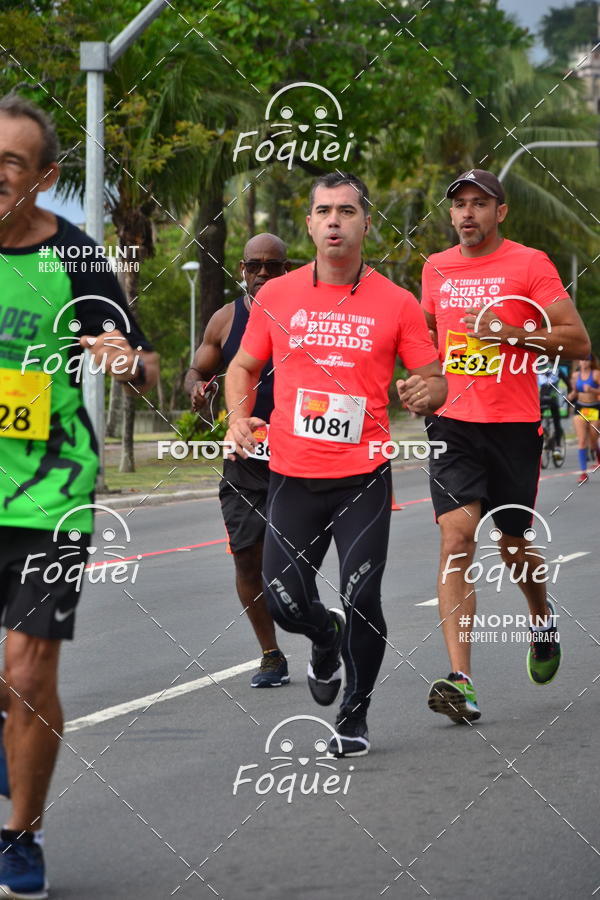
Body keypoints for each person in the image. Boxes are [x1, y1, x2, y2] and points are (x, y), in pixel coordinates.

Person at [225, 172, 446, 757]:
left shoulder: (396, 303)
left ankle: (354, 714)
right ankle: (325, 638)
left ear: (365, 223)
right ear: (309, 224)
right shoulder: (277, 297)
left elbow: (434, 378)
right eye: (324, 210)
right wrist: (237, 418)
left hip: (362, 478)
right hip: (292, 477)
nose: (334, 221)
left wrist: (426, 392)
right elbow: (242, 367)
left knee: (362, 596)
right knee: (282, 601)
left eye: (346, 211)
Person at [0, 94, 158, 897]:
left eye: (11, 163)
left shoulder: (77, 260)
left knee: (27, 675)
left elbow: (145, 364)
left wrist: (125, 360)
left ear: (44, 177)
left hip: (49, 498)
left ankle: (20, 836)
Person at [421, 168, 590, 723]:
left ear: (501, 211)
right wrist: (420, 380)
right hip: (453, 424)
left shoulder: (530, 264)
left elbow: (576, 340)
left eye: (479, 203)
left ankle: (541, 618)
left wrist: (510, 333)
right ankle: (462, 681)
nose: (467, 213)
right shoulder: (436, 268)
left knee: (512, 544)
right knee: (456, 538)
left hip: (513, 424)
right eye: (459, 204)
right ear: (450, 213)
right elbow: (426, 338)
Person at [183, 234, 291, 688]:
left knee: (292, 565)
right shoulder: (226, 319)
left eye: (273, 266)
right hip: (245, 458)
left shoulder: (305, 313)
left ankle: (320, 628)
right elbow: (198, 369)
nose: (263, 273)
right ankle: (271, 654)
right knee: (247, 560)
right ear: (242, 270)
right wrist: (196, 387)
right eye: (254, 265)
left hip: (300, 458)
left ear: (287, 270)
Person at [568, 353, 600, 482]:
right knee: (581, 440)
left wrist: (592, 390)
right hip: (580, 408)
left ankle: (597, 455)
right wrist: (571, 395)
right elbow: (574, 392)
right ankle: (583, 473)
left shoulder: (596, 374)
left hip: (594, 408)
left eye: (587, 360)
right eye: (582, 360)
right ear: (579, 362)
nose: (584, 362)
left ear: (591, 361)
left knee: (593, 440)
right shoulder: (575, 376)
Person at [537, 363, 569, 461]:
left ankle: (537, 444)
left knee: (537, 423)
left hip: (541, 401)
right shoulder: (557, 369)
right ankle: (558, 447)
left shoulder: (536, 368)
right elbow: (568, 384)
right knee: (556, 423)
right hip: (553, 400)